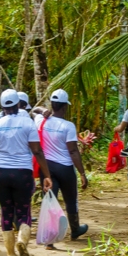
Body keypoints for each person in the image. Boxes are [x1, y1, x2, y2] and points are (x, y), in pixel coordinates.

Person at [0, 89, 52, 256]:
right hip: (23, 172)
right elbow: (37, 151)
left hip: (1, 173)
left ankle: (10, 255)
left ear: (2, 106)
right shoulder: (27, 124)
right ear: (18, 105)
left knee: (6, 212)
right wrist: (46, 175)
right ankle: (22, 241)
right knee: (24, 211)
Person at [36, 89, 89, 246]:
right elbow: (73, 150)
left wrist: (42, 110)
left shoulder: (40, 120)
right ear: (65, 107)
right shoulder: (68, 126)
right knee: (70, 200)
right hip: (65, 168)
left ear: (52, 105)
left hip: (46, 168)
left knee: (50, 200)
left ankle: (50, 238)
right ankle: (75, 229)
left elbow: (33, 110)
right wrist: (82, 173)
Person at [0, 92, 32, 224]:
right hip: (22, 167)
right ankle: (20, 224)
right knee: (21, 198)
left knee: (4, 201)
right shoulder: (26, 118)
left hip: (1, 167)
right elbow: (36, 149)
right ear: (20, 104)